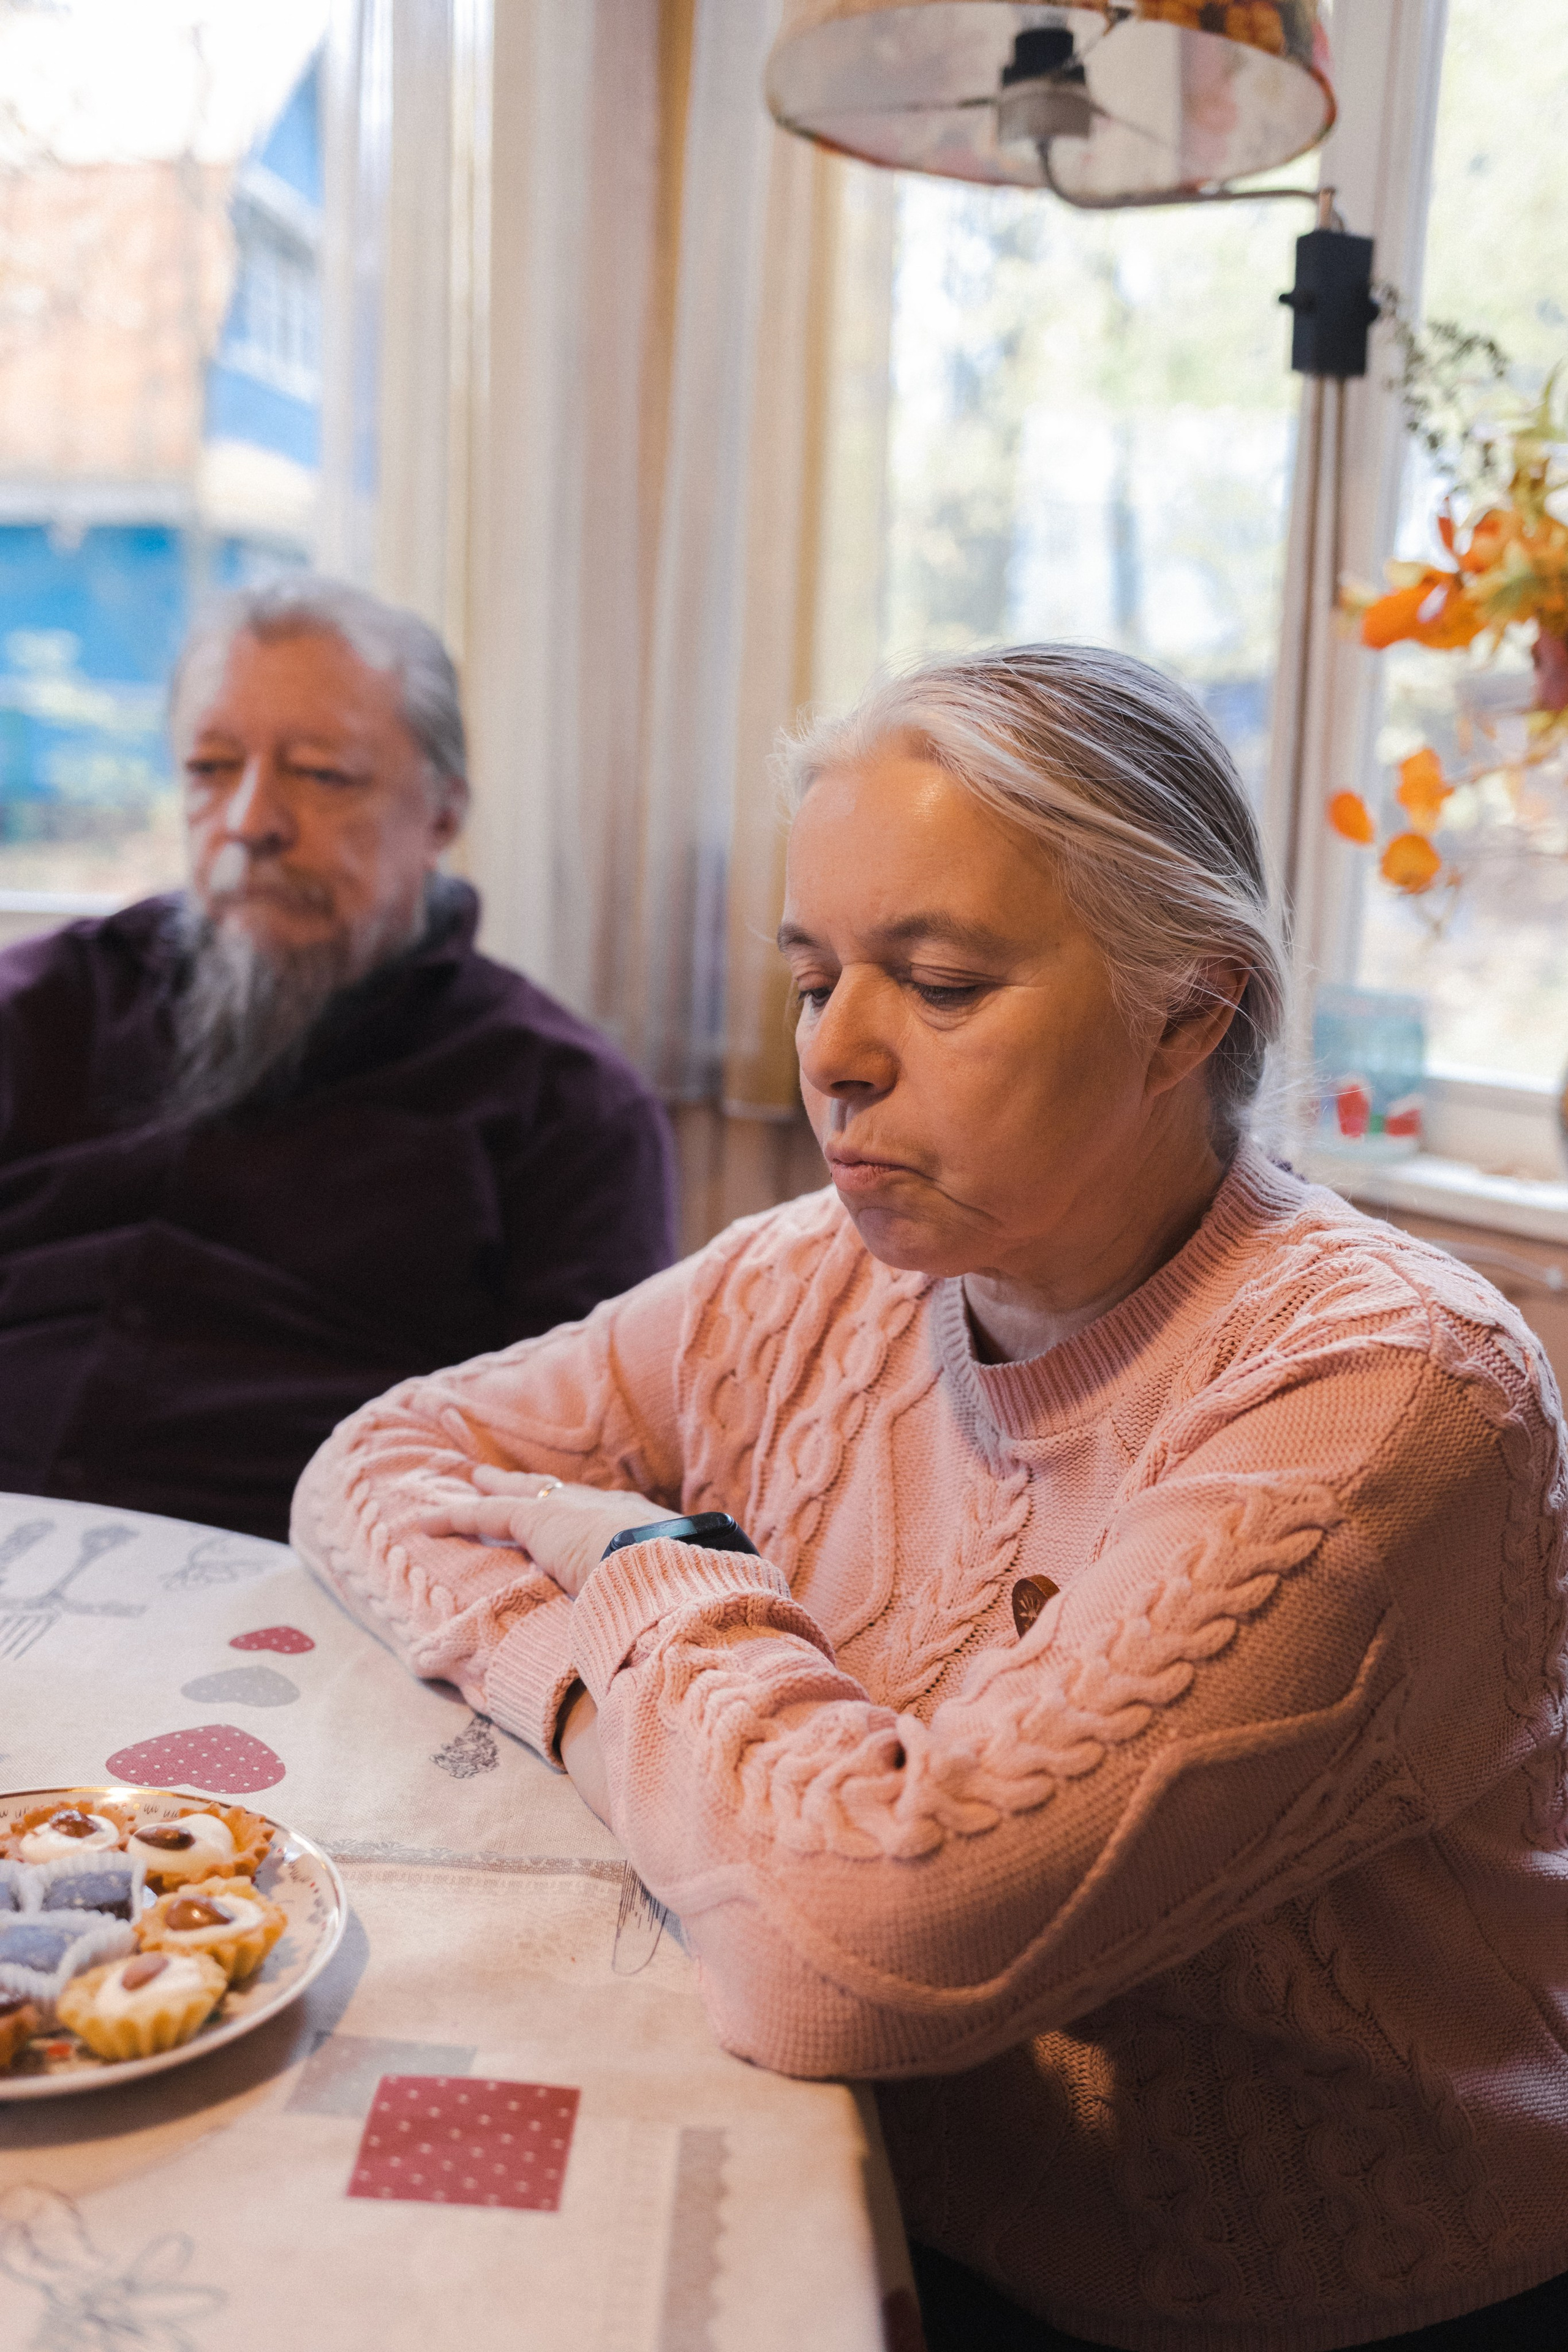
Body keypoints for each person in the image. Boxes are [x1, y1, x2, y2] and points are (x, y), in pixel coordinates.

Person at [293, 644, 1568, 2352]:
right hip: (882, 2178)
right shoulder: (812, 1276)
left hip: (1284, 2293)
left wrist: (657, 1575)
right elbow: (375, 1464)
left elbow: (863, 1950)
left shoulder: (1387, 1394)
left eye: (943, 983)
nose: (838, 1058)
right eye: (816, 979)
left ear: (1188, 1006)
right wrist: (599, 1676)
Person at [0, 576, 676, 1541]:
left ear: (441, 816)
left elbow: (581, 1480)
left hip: (315, 1611)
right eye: (209, 767)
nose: (251, 820)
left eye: (320, 774)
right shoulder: (33, 1013)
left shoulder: (564, 1110)